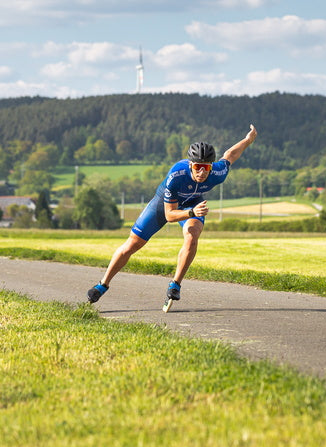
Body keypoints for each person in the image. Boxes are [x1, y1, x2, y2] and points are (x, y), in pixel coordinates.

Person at [87, 124, 258, 311]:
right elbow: (169, 215)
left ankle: (175, 284)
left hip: (193, 203)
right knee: (133, 244)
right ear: (191, 165)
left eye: (206, 167)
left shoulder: (217, 173)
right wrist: (192, 213)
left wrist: (248, 140)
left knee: (192, 236)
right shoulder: (177, 175)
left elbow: (230, 155)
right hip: (165, 205)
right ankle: (103, 284)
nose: (202, 172)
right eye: (198, 167)